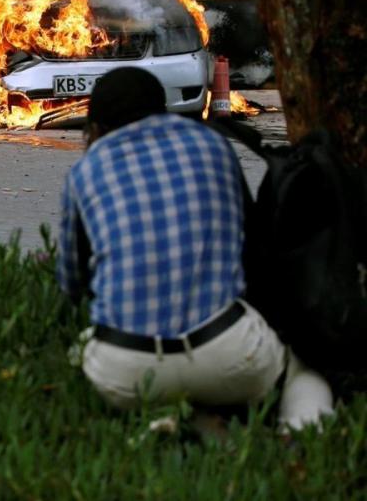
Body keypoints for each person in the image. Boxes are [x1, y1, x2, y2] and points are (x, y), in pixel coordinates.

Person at [57, 67, 333, 430]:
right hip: (227, 351)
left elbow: (73, 287)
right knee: (301, 371)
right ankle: (300, 434)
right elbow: (252, 249)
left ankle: (170, 423)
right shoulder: (213, 143)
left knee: (83, 350)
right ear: (161, 111)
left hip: (127, 369)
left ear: (93, 130)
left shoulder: (84, 172)